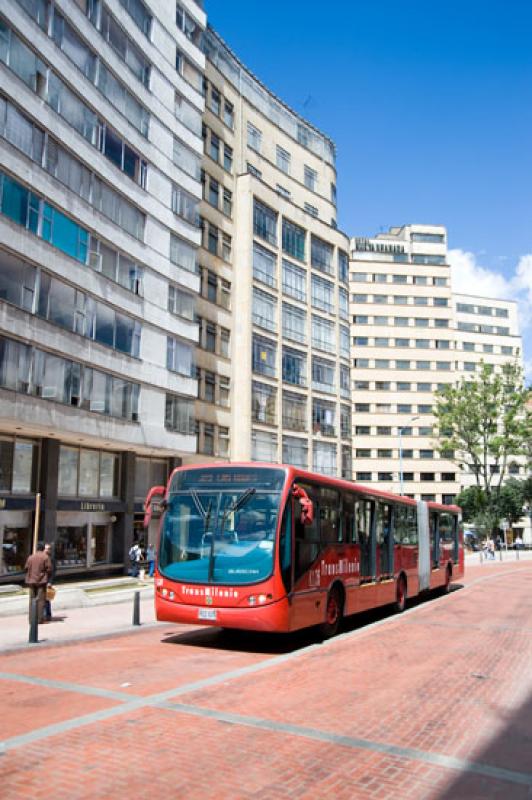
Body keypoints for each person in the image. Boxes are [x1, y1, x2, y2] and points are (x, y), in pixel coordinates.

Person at [25, 543, 52, 624]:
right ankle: (40, 619)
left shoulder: (30, 557)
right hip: (41, 581)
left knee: (32, 600)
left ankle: (31, 619)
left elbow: (26, 567)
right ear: (43, 548)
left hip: (31, 581)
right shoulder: (45, 557)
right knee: (41, 601)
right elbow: (49, 569)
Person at [43, 543, 56, 620]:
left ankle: (47, 614)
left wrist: (50, 582)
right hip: (42, 580)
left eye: (48, 549)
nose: (47, 550)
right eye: (46, 548)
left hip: (47, 581)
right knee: (43, 598)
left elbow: (53, 571)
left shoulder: (51, 559)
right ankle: (45, 614)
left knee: (47, 599)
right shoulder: (42, 558)